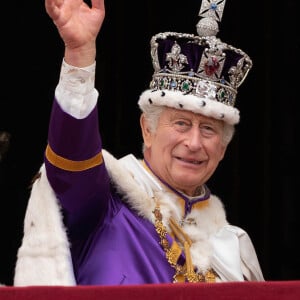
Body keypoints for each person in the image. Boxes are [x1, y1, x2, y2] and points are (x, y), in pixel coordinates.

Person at [14, 0, 264, 286]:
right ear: (148, 129)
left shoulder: (235, 249)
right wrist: (80, 55)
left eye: (208, 129)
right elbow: (71, 158)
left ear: (223, 148)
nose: (194, 143)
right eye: (181, 123)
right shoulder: (105, 204)